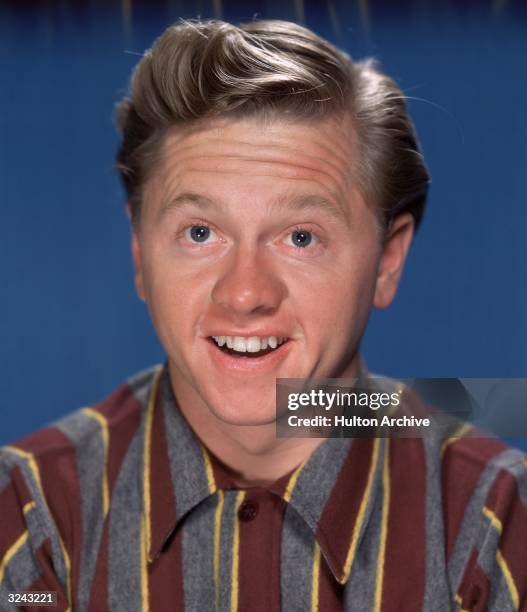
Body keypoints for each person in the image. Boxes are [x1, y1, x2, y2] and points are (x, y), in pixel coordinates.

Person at [1, 19, 525, 612]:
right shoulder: (26, 514)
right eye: (200, 233)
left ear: (387, 261)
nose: (245, 294)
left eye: (301, 237)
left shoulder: (499, 525)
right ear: (141, 255)